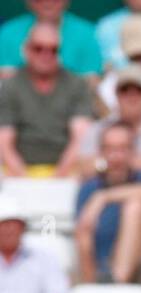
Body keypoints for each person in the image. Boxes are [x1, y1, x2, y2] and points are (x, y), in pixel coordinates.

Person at [74, 121, 141, 284]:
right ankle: (99, 288)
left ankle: (116, 283)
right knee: (84, 228)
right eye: (110, 149)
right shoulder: (89, 188)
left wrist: (103, 197)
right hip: (100, 270)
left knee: (135, 206)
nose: (116, 157)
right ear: (101, 153)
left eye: (123, 149)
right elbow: (83, 235)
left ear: (133, 152)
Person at [0, 22, 95, 177]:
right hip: (17, 170)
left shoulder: (77, 84)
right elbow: (4, 142)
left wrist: (57, 178)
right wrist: (25, 181)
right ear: (26, 49)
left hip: (67, 169)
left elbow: (80, 139)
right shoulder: (11, 86)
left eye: (53, 50)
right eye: (39, 48)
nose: (46, 55)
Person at [0, 192, 69, 293]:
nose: (9, 230)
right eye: (3, 225)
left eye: (14, 225)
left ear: (23, 228)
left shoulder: (45, 259)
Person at [0, 0, 102, 78]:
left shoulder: (86, 34)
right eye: (38, 49)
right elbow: (5, 81)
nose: (47, 1)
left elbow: (91, 81)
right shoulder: (7, 33)